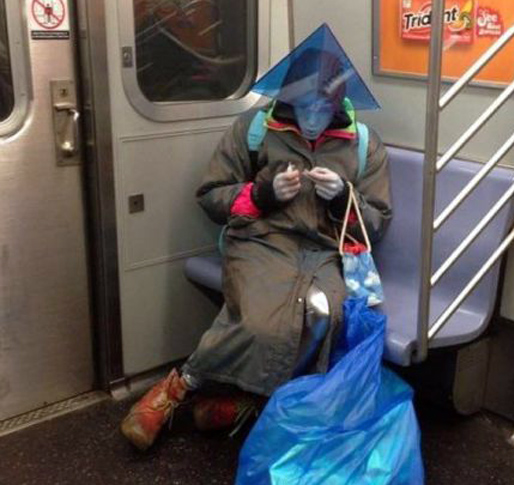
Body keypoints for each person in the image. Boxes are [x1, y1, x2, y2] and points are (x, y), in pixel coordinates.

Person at [120, 24, 392, 451]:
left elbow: (377, 221)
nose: (312, 117)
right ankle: (179, 387)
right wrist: (262, 194)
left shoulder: (363, 144)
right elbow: (211, 196)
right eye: (303, 105)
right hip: (262, 240)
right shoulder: (255, 129)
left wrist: (344, 198)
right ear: (288, 98)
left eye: (323, 106)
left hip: (325, 251)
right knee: (258, 322)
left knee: (323, 314)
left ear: (339, 102)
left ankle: (247, 402)